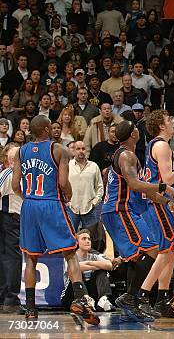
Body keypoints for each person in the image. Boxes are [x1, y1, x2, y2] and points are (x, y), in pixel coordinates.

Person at [13, 115, 98, 323]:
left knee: (31, 258)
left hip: (30, 205)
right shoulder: (58, 149)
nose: (53, 128)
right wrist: (68, 194)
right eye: (50, 126)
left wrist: (29, 199)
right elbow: (62, 182)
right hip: (51, 204)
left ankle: (31, 309)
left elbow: (16, 185)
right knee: (70, 252)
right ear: (45, 129)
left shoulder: (21, 151)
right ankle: (80, 300)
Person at [100, 120, 174, 322]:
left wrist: (162, 199)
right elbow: (134, 184)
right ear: (133, 134)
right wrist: (162, 187)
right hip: (120, 210)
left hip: (124, 209)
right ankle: (131, 297)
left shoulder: (129, 155)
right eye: (135, 129)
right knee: (151, 250)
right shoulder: (126, 155)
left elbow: (140, 190)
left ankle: (132, 301)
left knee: (137, 256)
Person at [138, 110, 174, 318]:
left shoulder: (157, 144)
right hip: (154, 204)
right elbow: (168, 178)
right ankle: (142, 295)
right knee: (166, 249)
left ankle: (162, 299)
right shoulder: (161, 145)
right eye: (169, 119)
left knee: (171, 250)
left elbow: (161, 181)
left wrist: (169, 199)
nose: (173, 122)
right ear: (161, 126)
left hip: (158, 201)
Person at [61, 229, 114, 312]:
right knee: (77, 272)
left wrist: (88, 263)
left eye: (89, 239)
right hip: (72, 294)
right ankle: (85, 299)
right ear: (77, 242)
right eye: (84, 239)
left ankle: (103, 300)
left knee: (102, 272)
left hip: (91, 293)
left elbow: (109, 265)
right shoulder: (71, 257)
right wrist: (97, 265)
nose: (88, 241)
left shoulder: (93, 255)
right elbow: (77, 268)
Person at [0, 145, 22, 314]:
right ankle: (10, 300)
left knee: (7, 259)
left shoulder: (18, 173)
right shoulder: (9, 173)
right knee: (12, 259)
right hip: (8, 218)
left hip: (13, 219)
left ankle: (6, 299)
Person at [67, 141, 104, 230]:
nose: (81, 151)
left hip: (90, 208)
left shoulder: (94, 166)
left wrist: (95, 202)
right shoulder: (67, 166)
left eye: (83, 149)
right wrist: (67, 203)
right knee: (71, 238)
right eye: (78, 149)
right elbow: (62, 185)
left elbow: (100, 187)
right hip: (71, 208)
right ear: (74, 151)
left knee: (92, 238)